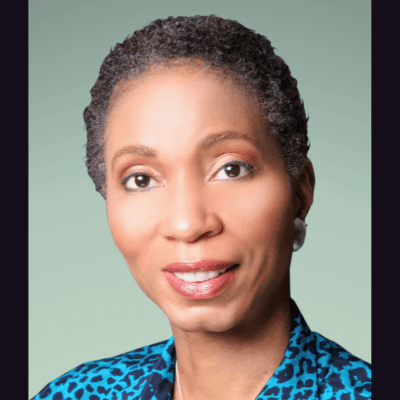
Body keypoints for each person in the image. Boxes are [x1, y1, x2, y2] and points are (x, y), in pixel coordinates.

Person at [32, 15, 371, 400]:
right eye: (141, 179)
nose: (188, 224)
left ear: (300, 192)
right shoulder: (73, 394)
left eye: (232, 169)